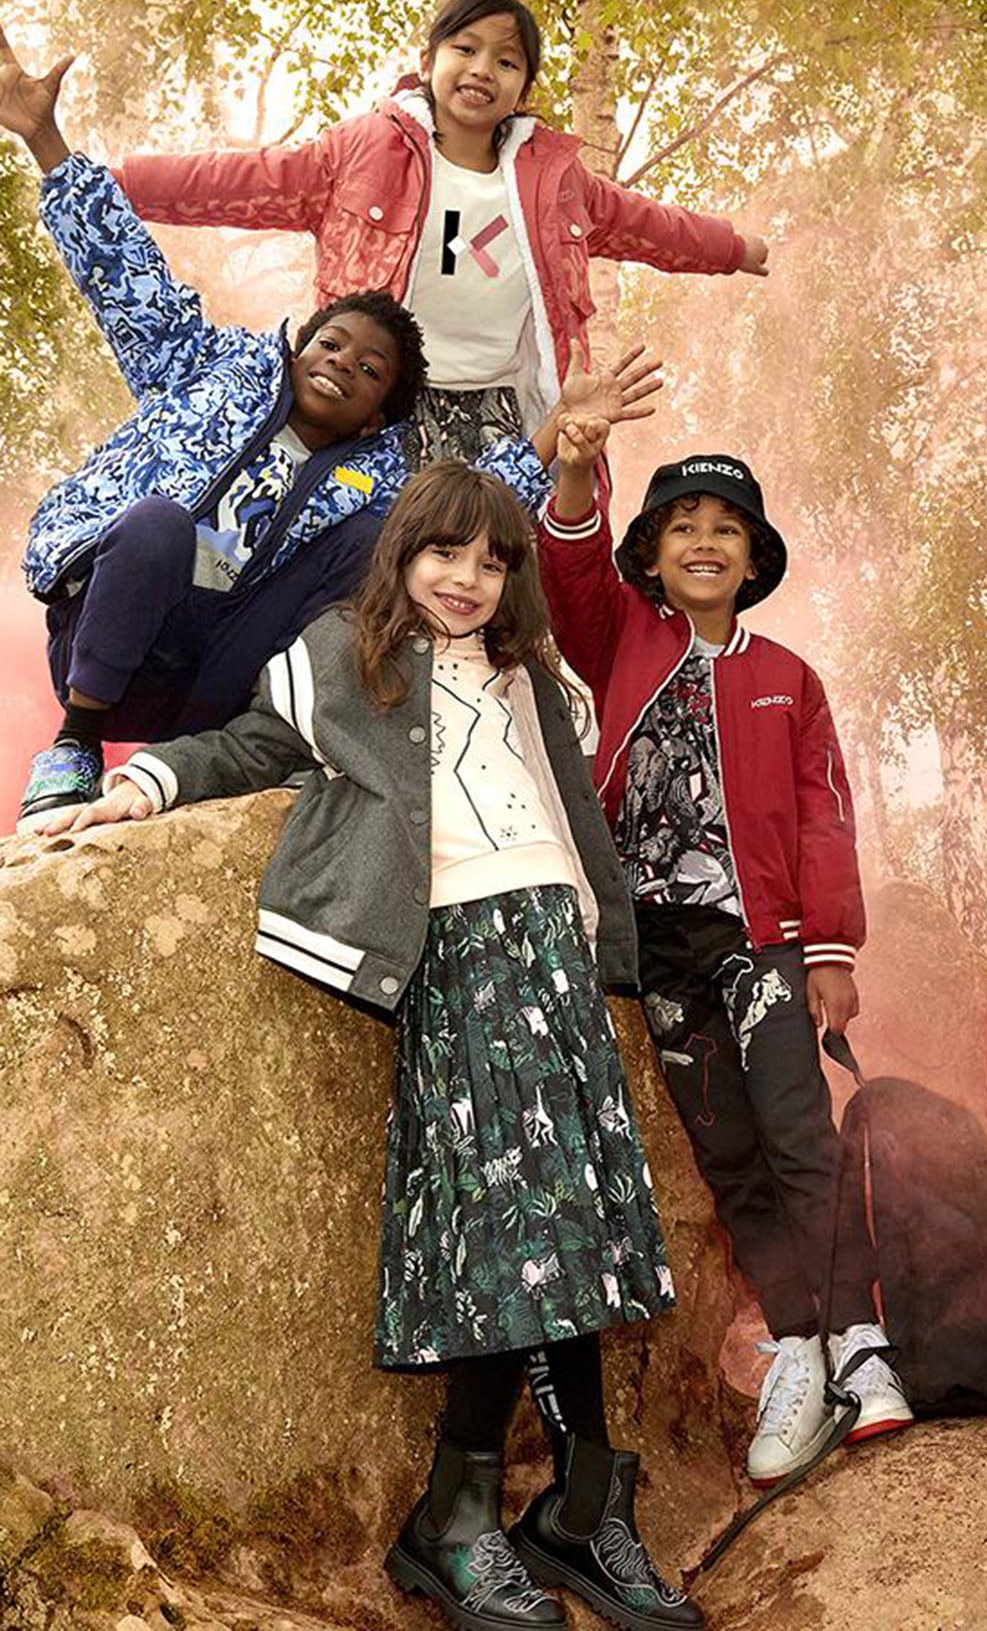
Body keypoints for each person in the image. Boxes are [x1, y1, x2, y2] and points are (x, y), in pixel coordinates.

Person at [38, 458, 703, 1631]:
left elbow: (575, 813)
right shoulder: (343, 658)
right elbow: (245, 749)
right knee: (510, 1236)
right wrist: (138, 788)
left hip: (556, 953)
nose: (468, 579)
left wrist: (608, 962)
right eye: (445, 552)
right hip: (460, 953)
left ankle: (580, 1507)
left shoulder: (532, 676)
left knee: (579, 1242)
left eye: (492, 561)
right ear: (402, 555)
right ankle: (461, 1518)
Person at [0, 26, 654, 827]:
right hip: (114, 637)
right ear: (299, 347)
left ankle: (252, 746)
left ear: (379, 411)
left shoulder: (375, 475)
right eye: (332, 344)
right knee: (158, 524)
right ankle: (73, 745)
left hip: (219, 669)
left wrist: (555, 427)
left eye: (370, 370)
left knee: (385, 542)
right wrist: (45, 140)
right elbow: (123, 277)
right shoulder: (212, 373)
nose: (342, 364)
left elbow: (467, 515)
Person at [537, 419, 914, 1485]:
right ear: (652, 556)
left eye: (727, 529)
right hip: (660, 951)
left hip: (764, 944)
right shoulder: (622, 639)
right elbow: (568, 571)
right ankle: (797, 1348)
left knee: (800, 1136)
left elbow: (823, 815)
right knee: (729, 1153)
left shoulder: (788, 677)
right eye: (682, 526)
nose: (704, 541)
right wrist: (575, 469)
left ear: (754, 560)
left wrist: (831, 951)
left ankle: (861, 1343)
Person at [111, 0, 767, 469]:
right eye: (466, 48)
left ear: (523, 89)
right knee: (372, 568)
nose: (483, 69)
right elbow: (245, 179)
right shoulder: (365, 150)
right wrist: (116, 184)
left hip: (501, 411)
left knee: (487, 569)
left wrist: (733, 247)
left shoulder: (554, 181)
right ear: (427, 62)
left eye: (507, 62)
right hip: (381, 405)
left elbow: (646, 223)